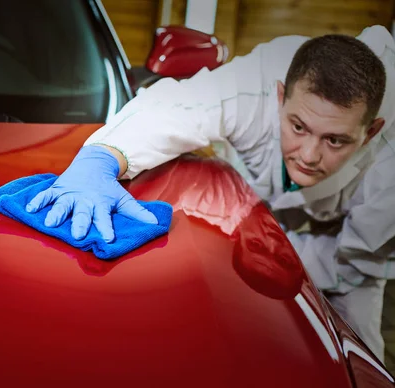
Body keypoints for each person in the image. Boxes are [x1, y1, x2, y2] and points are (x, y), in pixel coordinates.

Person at [25, 25, 395, 362]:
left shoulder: (389, 167)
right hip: (251, 202)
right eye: (298, 126)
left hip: (346, 252)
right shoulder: (256, 83)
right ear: (280, 97)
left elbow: (356, 263)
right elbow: (178, 107)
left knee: (363, 360)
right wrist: (102, 159)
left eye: (335, 140)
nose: (310, 155)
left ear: (372, 131)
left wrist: (277, 251)